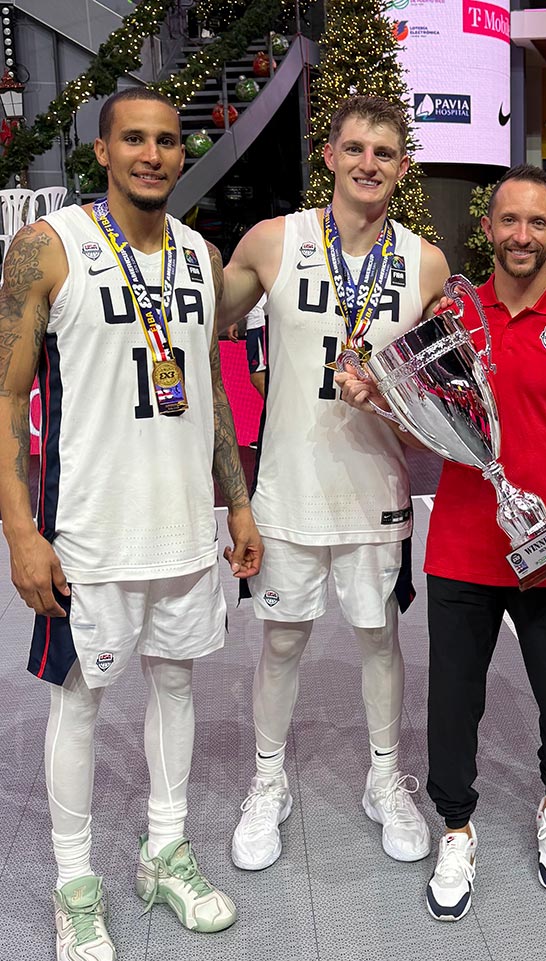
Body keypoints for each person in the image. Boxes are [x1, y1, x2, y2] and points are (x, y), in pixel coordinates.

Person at [0, 87, 262, 960]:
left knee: (179, 685)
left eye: (167, 141)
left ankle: (163, 850)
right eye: (134, 140)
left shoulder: (199, 252)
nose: (153, 154)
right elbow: (4, 398)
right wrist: (20, 532)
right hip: (87, 534)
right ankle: (76, 885)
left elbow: (213, 391)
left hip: (185, 534)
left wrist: (238, 500)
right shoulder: (47, 248)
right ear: (102, 151)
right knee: (79, 703)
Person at [342, 164, 546, 920]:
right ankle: (456, 827)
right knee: (454, 701)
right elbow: (431, 424)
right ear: (489, 229)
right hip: (464, 547)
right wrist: (381, 399)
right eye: (510, 221)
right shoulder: (454, 320)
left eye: (537, 222)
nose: (522, 235)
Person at [219, 94, 450, 871]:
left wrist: (390, 396)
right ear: (329, 156)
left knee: (380, 635)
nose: (368, 164)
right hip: (287, 490)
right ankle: (267, 780)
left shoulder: (424, 262)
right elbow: (205, 319)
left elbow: (445, 399)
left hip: (375, 491)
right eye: (354, 149)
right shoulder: (273, 241)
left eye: (384, 153)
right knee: (282, 637)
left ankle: (384, 780)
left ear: (402, 167)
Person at [244, 293, 267, 398]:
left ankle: (280, 411)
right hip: (255, 323)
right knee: (259, 376)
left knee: (258, 375)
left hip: (259, 321)